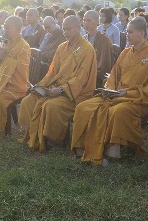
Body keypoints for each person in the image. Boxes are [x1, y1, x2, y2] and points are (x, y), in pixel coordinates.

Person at [71, 17, 148, 165]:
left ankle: (113, 150)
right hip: (115, 95)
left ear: (142, 33)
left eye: (130, 32)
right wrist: (110, 90)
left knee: (117, 111)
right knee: (83, 107)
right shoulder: (125, 53)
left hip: (137, 99)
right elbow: (113, 76)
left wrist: (127, 93)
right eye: (126, 31)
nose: (127, 34)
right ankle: (83, 147)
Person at [19, 15, 96, 151]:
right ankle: (34, 135)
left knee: (51, 106)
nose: (65, 32)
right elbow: (52, 72)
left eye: (69, 29)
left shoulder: (87, 49)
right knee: (29, 100)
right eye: (64, 29)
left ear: (79, 28)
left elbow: (81, 78)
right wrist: (40, 86)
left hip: (75, 94)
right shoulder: (61, 47)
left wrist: (61, 90)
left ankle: (52, 140)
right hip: (55, 88)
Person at [82, 10, 116, 88]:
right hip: (82, 76)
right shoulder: (83, 39)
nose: (85, 23)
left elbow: (104, 66)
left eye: (89, 20)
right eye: (84, 20)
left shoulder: (104, 40)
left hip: (96, 79)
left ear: (97, 22)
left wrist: (87, 74)